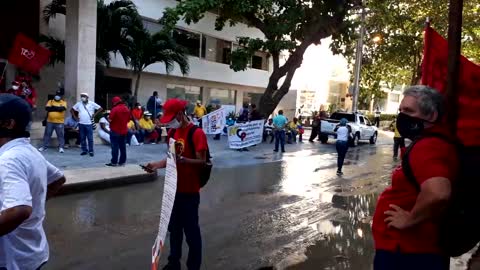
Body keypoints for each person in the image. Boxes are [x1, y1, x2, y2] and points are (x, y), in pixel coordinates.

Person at [372, 86, 458, 270]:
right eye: (401, 110)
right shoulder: (435, 142)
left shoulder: (428, 146)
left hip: (408, 252)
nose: (402, 116)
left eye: (409, 111)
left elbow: (438, 192)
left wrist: (409, 219)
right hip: (413, 249)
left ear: (432, 116)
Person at [0, 94, 66, 270]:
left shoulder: (9, 160)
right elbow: (58, 179)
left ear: (8, 123)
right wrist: (35, 202)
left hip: (12, 260)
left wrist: (29, 207)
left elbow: (19, 210)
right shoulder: (28, 151)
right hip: (31, 253)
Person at [144, 98, 208, 270]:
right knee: (174, 229)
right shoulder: (172, 133)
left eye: (172, 117)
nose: (170, 122)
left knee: (191, 233)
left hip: (190, 192)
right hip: (173, 190)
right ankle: (174, 263)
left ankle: (193, 266)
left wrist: (183, 160)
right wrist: (157, 164)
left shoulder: (196, 133)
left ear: (180, 114)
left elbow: (202, 161)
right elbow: (171, 159)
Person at [106, 96, 130, 167]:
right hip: (123, 131)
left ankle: (114, 162)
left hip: (115, 131)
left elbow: (110, 120)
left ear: (115, 102)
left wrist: (108, 118)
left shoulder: (114, 109)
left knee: (115, 147)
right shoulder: (126, 108)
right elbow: (128, 120)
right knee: (123, 147)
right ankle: (122, 162)